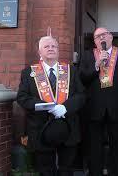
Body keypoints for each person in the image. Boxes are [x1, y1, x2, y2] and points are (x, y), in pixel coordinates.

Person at [17, 36, 85, 176]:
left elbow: (81, 95)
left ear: (58, 51)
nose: (51, 49)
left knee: (66, 169)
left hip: (68, 128)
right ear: (39, 52)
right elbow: (22, 98)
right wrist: (46, 105)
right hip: (40, 128)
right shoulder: (29, 72)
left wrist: (65, 107)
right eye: (46, 46)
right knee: (45, 170)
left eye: (53, 46)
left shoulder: (71, 71)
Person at [79, 27, 118, 176]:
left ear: (111, 37)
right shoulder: (87, 56)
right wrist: (96, 65)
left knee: (116, 145)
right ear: (95, 41)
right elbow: (81, 79)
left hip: (117, 108)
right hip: (93, 109)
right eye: (98, 36)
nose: (101, 38)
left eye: (104, 35)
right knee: (94, 147)